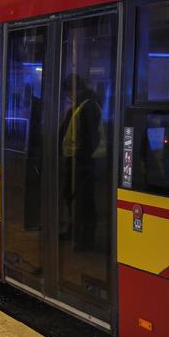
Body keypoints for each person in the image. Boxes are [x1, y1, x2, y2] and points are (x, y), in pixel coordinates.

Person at [59, 74, 103, 251]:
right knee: (70, 197)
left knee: (85, 201)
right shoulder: (79, 106)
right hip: (75, 160)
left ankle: (86, 238)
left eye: (69, 92)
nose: (69, 96)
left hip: (85, 162)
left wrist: (81, 158)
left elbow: (91, 138)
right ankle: (74, 230)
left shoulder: (89, 106)